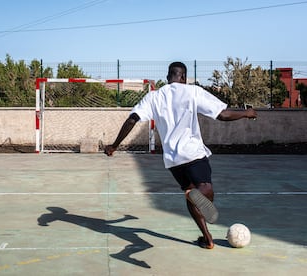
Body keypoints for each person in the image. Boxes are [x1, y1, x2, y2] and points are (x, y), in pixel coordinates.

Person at [104, 62, 257, 249]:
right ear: (183, 77)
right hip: (193, 154)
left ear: (168, 76)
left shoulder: (154, 97)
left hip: (173, 161)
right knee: (205, 190)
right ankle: (195, 196)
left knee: (191, 194)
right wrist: (246, 113)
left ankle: (207, 238)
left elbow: (132, 119)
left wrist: (114, 146)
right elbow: (223, 115)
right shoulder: (193, 92)